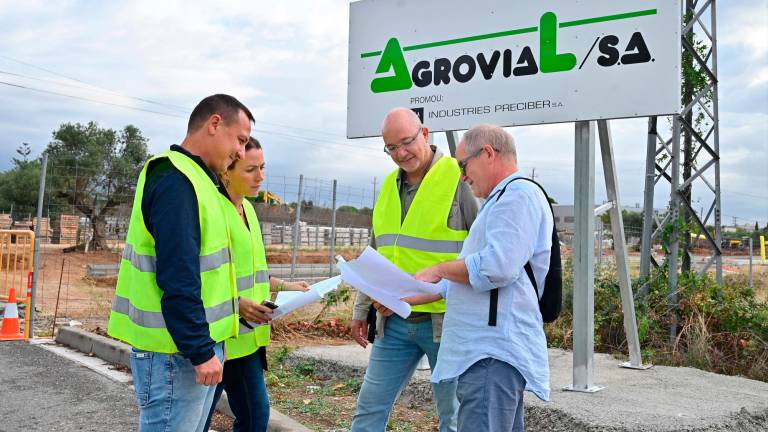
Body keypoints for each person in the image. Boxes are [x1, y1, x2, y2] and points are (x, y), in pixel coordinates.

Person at [107, 94, 254, 432]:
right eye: (240, 140)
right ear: (215, 124)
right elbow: (178, 275)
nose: (241, 153)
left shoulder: (202, 181)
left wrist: (213, 344)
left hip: (189, 347)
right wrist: (201, 350)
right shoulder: (176, 179)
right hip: (175, 353)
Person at [405, 124, 552, 432]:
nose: (462, 176)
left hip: (492, 355)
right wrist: (415, 293)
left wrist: (441, 268)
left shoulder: (517, 196)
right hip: (487, 354)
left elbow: (497, 267)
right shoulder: (501, 200)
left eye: (463, 165)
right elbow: (474, 276)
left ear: (487, 153)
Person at [350, 107, 478, 432]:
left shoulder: (460, 177)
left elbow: (484, 252)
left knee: (453, 417)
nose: (400, 153)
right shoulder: (388, 188)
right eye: (391, 148)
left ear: (425, 133)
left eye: (406, 142)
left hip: (448, 324)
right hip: (394, 323)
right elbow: (377, 254)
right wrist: (361, 309)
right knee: (368, 409)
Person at [203, 137, 309, 432]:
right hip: (216, 339)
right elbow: (202, 275)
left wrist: (287, 286)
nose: (260, 177)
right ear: (227, 170)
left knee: (254, 418)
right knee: (195, 421)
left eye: (262, 167)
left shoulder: (248, 210)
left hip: (247, 340)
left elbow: (251, 272)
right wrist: (237, 304)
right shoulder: (213, 210)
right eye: (251, 169)